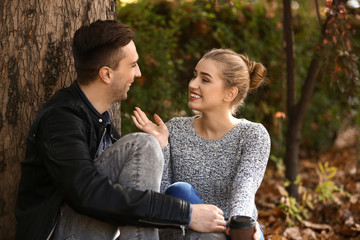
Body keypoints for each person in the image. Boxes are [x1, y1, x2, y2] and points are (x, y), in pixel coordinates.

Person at [14, 20, 227, 240]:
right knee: (142, 145)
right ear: (106, 74)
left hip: (98, 228)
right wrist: (185, 212)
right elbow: (87, 193)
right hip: (57, 233)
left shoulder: (101, 121)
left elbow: (131, 197)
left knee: (206, 237)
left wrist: (161, 148)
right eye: (133, 65)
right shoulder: (61, 119)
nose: (139, 73)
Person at [132, 48, 271, 240]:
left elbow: (244, 188)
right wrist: (161, 147)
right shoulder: (175, 129)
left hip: (235, 231)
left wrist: (241, 222)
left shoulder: (253, 135)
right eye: (194, 76)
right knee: (179, 190)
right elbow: (164, 196)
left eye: (205, 79)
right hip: (186, 231)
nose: (192, 84)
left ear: (230, 93)